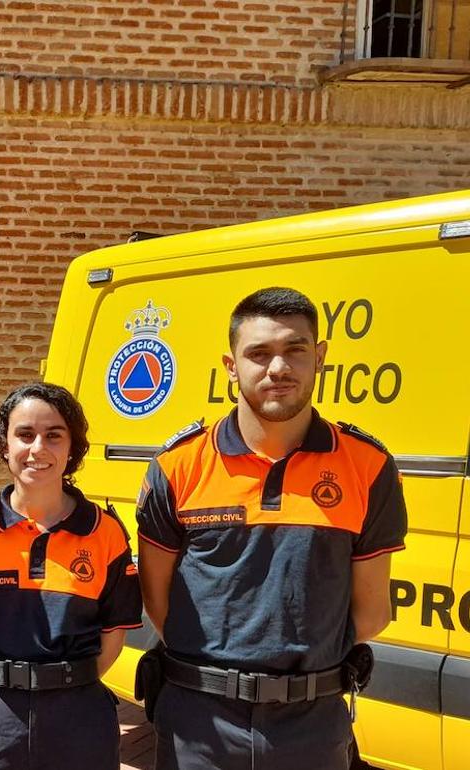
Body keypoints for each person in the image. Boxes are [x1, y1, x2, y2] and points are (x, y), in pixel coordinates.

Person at [135, 287, 407, 770]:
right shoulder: (178, 466)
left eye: (294, 350)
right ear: (231, 365)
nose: (277, 369)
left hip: (313, 722)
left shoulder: (367, 466)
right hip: (199, 724)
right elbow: (160, 603)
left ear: (319, 357)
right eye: (258, 354)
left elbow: (371, 613)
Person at [0, 382, 141, 770]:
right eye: (24, 434)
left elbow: (112, 638)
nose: (38, 449)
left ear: (73, 448)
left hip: (79, 712)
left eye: (54, 435)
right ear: (5, 445)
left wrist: (62, 682)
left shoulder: (107, 534)